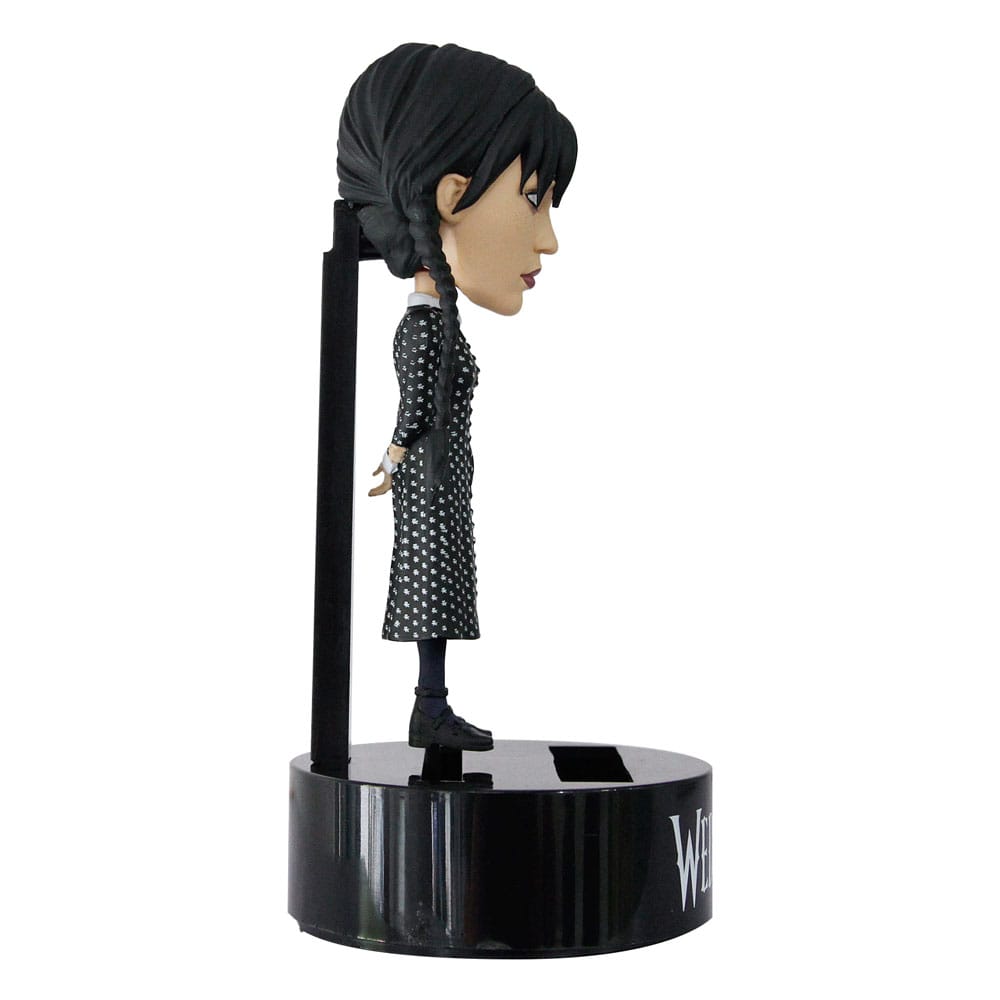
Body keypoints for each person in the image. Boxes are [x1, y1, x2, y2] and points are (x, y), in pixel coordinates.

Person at [336, 43, 577, 751]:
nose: (549, 240)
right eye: (531, 198)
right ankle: (430, 706)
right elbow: (415, 401)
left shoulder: (435, 323)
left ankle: (433, 704)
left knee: (441, 592)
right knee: (432, 593)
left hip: (441, 476)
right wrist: (395, 456)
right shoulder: (423, 328)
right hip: (430, 481)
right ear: (450, 196)